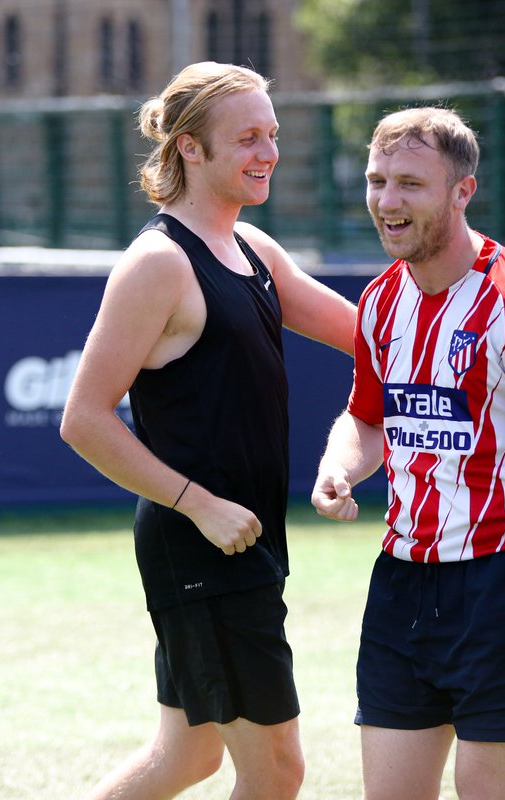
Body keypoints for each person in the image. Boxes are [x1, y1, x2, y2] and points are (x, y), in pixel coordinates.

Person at [60, 62, 356, 800]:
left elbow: (372, 340)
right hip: (200, 545)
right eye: (248, 138)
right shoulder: (157, 264)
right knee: (277, 768)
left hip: (243, 540)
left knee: (185, 758)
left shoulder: (255, 249)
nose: (268, 153)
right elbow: (84, 420)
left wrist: (480, 322)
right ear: (190, 147)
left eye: (273, 135)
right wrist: (199, 503)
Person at [311, 106, 505, 800]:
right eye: (377, 181)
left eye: (410, 183)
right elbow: (367, 419)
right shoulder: (378, 302)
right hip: (403, 585)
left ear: (461, 191)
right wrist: (340, 465)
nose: (387, 201)